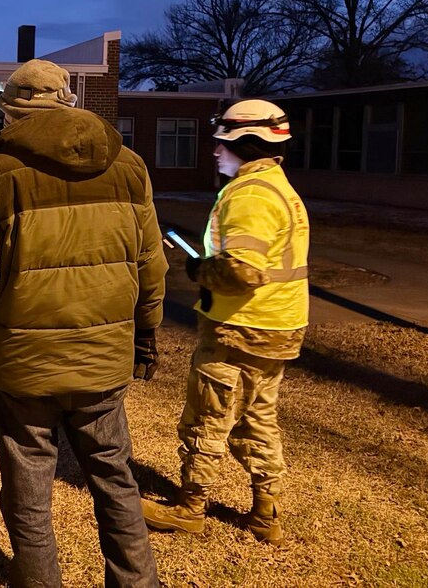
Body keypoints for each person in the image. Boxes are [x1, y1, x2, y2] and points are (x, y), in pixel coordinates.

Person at [0, 59, 166, 587]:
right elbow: (151, 261)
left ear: (11, 108)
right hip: (103, 359)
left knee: (29, 487)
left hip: (23, 367)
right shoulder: (129, 164)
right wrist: (147, 329)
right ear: (67, 99)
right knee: (115, 480)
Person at [140, 99, 309, 546]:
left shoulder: (250, 195)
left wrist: (199, 270)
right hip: (277, 328)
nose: (215, 151)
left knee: (208, 417)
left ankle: (190, 507)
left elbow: (242, 271)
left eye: (223, 143)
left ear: (249, 144)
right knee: (258, 419)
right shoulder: (278, 188)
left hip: (240, 328)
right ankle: (265, 512)